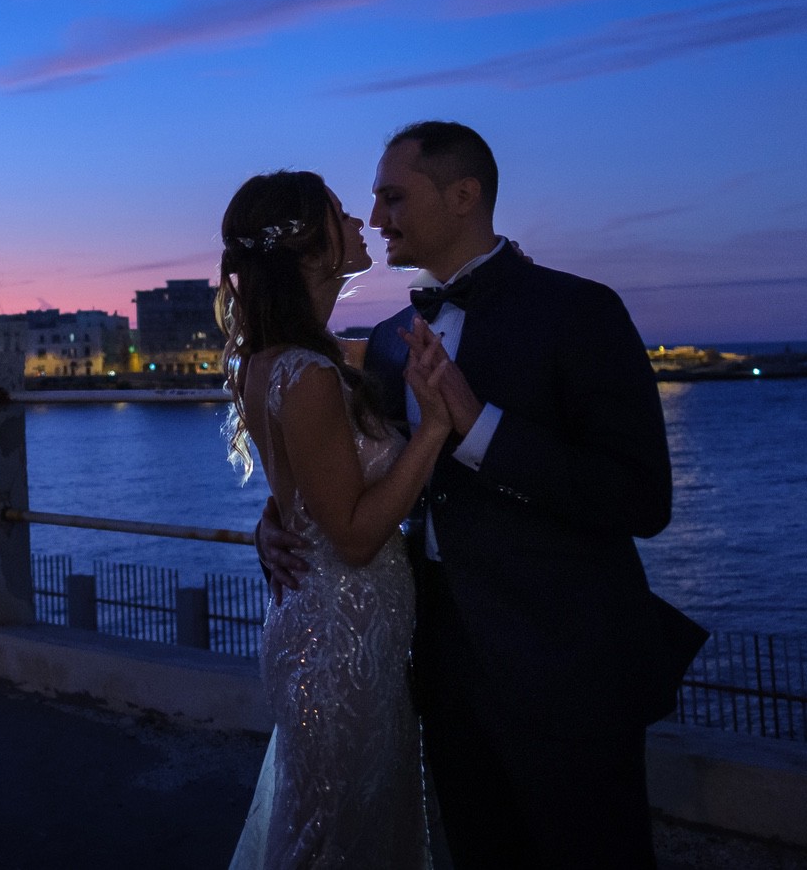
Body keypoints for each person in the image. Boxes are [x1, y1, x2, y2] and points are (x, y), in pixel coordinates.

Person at [256, 122, 704, 869]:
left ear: (463, 195)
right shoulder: (396, 337)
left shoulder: (579, 312)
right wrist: (275, 517)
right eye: (372, 199)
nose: (374, 219)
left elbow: (640, 496)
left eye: (393, 196)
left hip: (564, 666)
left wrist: (479, 424)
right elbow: (360, 472)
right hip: (438, 668)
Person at [217, 169, 461, 868]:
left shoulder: (285, 360)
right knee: (334, 835)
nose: (361, 221)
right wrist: (435, 428)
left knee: (337, 822)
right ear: (311, 247)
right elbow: (353, 534)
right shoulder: (310, 372)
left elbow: (304, 484)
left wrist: (274, 516)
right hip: (340, 637)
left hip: (335, 625)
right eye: (341, 214)